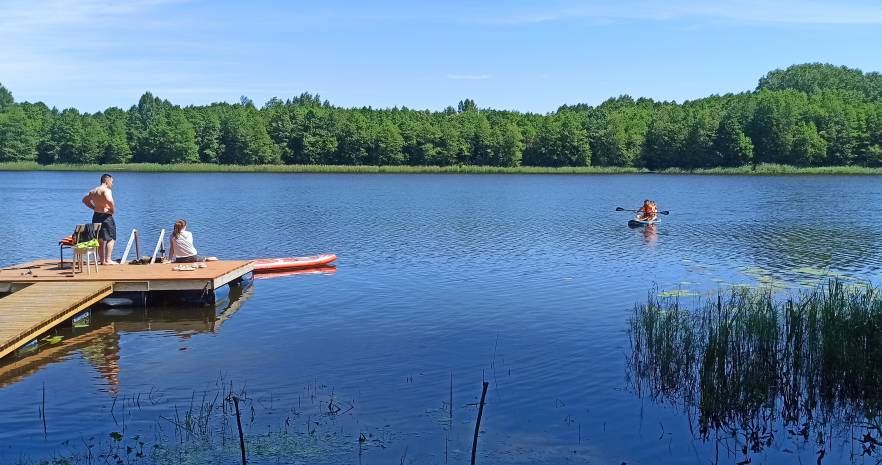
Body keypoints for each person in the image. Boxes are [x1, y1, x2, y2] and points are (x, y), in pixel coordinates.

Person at [82, 173, 117, 264]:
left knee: (100, 239)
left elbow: (84, 200)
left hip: (96, 216)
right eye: (112, 182)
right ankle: (108, 259)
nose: (112, 184)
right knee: (111, 238)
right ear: (107, 181)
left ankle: (102, 261)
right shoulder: (106, 190)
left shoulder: (93, 191)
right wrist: (112, 210)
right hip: (106, 217)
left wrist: (94, 207)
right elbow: (109, 200)